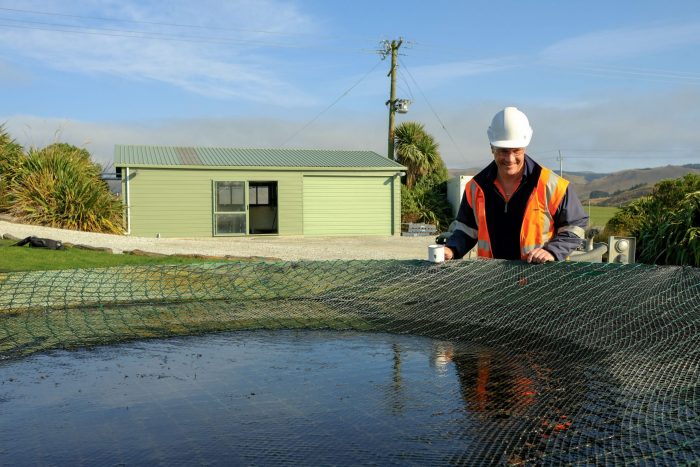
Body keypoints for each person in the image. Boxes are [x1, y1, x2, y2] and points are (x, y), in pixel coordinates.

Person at [444, 107, 587, 263]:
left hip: (538, 280)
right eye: (503, 151)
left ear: (525, 147)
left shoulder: (552, 186)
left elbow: (575, 226)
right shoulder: (475, 187)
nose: (510, 158)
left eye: (516, 151)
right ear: (492, 148)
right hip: (492, 281)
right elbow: (466, 230)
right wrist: (451, 249)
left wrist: (552, 251)